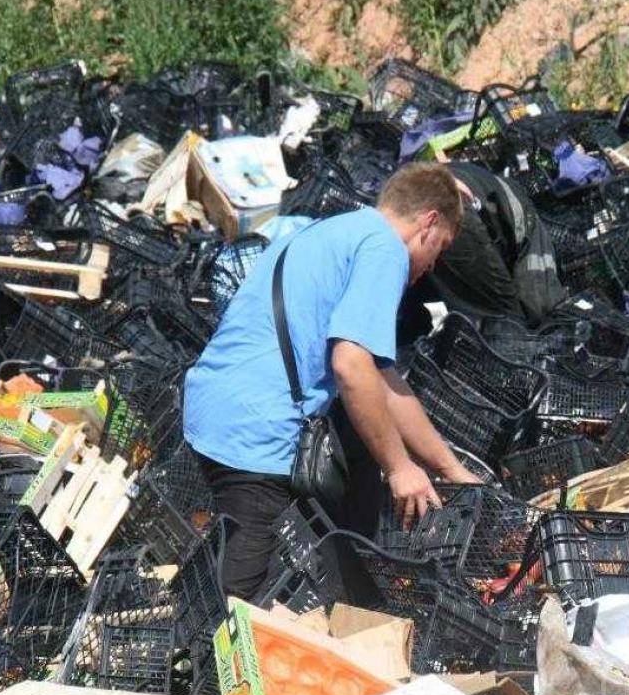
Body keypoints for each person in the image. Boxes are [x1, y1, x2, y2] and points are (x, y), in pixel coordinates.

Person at [183, 162, 481, 601]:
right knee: (241, 599)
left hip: (215, 404)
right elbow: (351, 366)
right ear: (428, 222)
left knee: (254, 560)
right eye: (442, 246)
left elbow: (382, 379)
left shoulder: (337, 228)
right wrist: (400, 469)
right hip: (255, 432)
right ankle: (194, 639)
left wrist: (450, 469)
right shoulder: (385, 251)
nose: (435, 263)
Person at [398, 163, 567, 343]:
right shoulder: (534, 239)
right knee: (506, 324)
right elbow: (539, 303)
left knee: (410, 314)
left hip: (421, 195)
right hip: (454, 207)